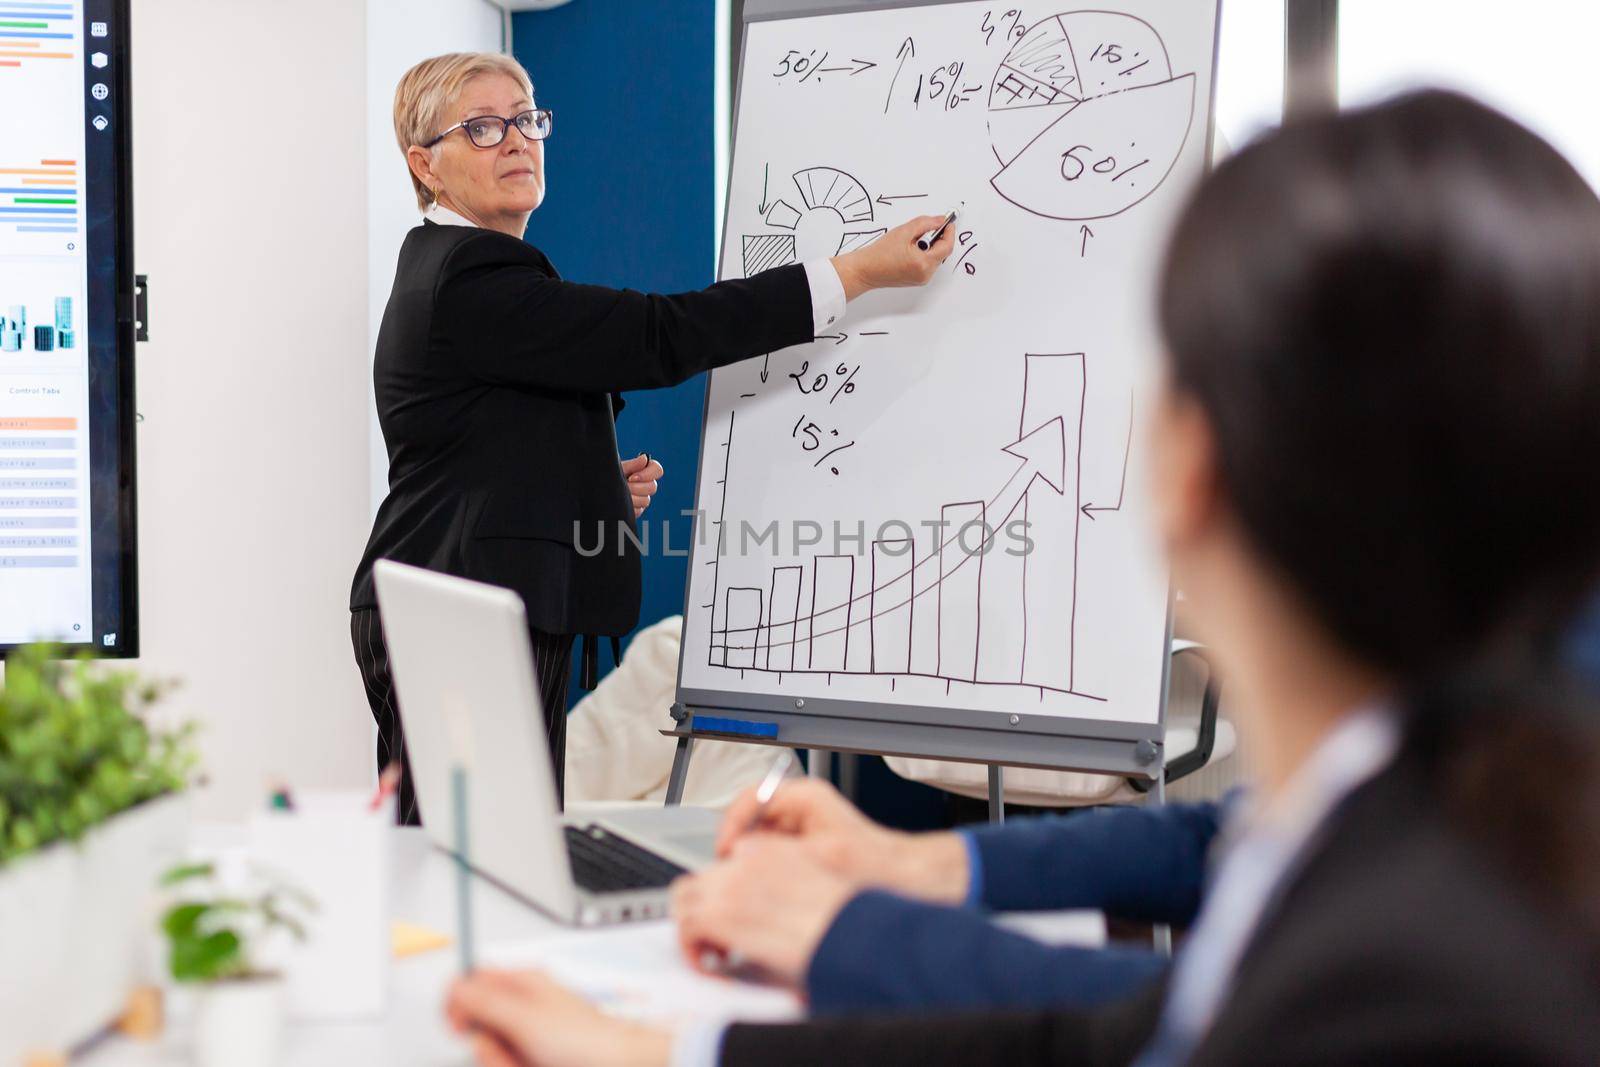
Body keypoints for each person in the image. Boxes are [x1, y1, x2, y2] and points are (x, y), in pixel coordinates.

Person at [443, 89, 1600, 1065]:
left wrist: (784, 976)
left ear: (1188, 464)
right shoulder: (1460, 794)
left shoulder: (1412, 982)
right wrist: (903, 871)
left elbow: (1156, 1024)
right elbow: (1197, 890)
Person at [349, 52, 953, 822]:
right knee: (465, 856)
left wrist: (587, 492)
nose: (518, 140)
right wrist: (856, 273)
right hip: (456, 611)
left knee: (481, 849)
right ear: (424, 165)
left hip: (458, 600)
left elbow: (476, 453)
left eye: (528, 119)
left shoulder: (463, 269)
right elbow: (658, 335)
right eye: (483, 127)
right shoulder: (472, 277)